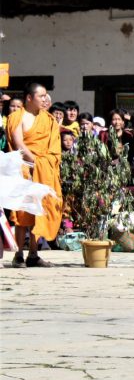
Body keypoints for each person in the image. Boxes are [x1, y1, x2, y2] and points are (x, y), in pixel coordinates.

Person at [7, 83, 63, 267]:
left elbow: (54, 149)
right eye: (41, 96)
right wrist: (34, 163)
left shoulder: (49, 120)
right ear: (29, 98)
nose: (45, 99)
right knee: (23, 212)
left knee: (40, 209)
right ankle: (18, 255)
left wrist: (40, 165)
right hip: (23, 170)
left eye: (46, 96)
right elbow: (18, 144)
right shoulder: (17, 116)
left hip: (43, 170)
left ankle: (33, 253)